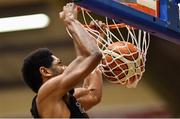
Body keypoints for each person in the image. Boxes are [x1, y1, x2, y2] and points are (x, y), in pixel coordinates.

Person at [21, 3, 103, 118]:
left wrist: (93, 41)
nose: (66, 67)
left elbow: (93, 95)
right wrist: (70, 20)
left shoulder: (65, 97)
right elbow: (93, 55)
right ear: (45, 71)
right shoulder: (46, 92)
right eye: (60, 64)